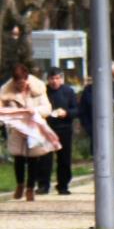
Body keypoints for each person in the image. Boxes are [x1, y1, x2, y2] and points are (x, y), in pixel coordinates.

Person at [1, 64, 54, 201]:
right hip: (16, 127)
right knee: (18, 157)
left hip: (34, 127)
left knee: (33, 158)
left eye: (23, 83)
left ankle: (30, 187)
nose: (20, 87)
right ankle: (20, 184)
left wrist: (35, 111)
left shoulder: (38, 88)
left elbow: (47, 108)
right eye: (18, 84)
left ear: (27, 80)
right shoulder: (6, 91)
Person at [39, 67, 78, 195]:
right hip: (47, 128)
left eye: (57, 78)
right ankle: (43, 185)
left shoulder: (69, 91)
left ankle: (63, 185)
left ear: (61, 79)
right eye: (51, 78)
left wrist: (66, 113)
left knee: (64, 158)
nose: (54, 81)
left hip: (64, 128)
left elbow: (76, 110)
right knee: (45, 158)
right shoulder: (43, 91)